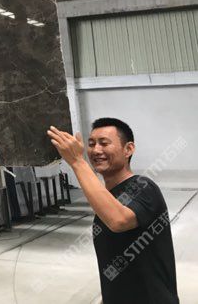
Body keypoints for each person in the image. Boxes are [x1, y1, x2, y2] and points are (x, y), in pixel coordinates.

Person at [47, 118, 178, 304]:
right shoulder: (108, 198)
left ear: (128, 149)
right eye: (91, 144)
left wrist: (77, 161)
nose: (95, 150)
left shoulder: (144, 187)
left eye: (104, 143)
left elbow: (119, 220)